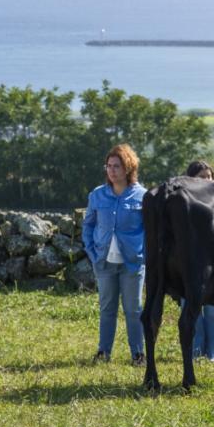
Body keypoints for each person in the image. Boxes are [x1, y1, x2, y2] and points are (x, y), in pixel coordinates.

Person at [83, 144, 147, 365]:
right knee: (107, 308)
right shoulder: (97, 195)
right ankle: (103, 352)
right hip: (103, 262)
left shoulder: (142, 197)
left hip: (132, 264)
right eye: (108, 166)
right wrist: (92, 252)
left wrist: (143, 256)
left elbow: (150, 231)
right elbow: (88, 226)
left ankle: (138, 354)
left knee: (134, 310)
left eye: (117, 166)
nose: (111, 170)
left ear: (128, 168)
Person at [182, 160, 214, 362]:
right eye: (202, 177)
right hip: (190, 262)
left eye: (209, 176)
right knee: (192, 309)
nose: (207, 180)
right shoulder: (183, 202)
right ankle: (196, 351)